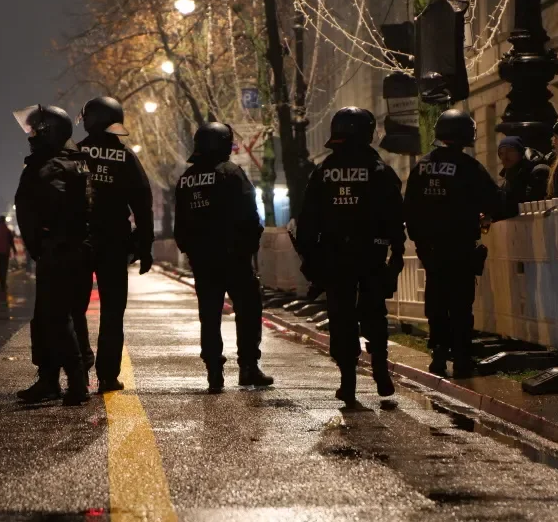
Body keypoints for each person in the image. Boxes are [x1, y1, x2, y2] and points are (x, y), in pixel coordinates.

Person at [295, 107, 404, 404]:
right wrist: (398, 250)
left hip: (334, 256)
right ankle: (380, 370)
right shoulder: (378, 169)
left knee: (341, 317)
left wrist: (309, 256)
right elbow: (395, 212)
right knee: (374, 312)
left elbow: (307, 218)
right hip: (371, 253)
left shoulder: (324, 171)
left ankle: (348, 382)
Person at [404, 109, 518, 379]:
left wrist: (420, 241)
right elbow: (496, 202)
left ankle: (439, 355)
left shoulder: (421, 167)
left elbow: (409, 208)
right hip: (460, 246)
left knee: (436, 301)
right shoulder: (468, 167)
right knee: (460, 305)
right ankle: (462, 359)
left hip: (430, 249)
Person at [174, 122, 273, 394]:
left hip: (203, 261)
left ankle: (214, 372)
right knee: (248, 310)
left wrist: (192, 252)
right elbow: (250, 214)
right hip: (234, 258)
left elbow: (180, 224)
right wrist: (248, 248)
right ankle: (248, 368)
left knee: (210, 314)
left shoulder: (186, 179)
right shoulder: (231, 173)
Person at [72, 96, 155, 394]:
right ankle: (108, 376)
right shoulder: (126, 157)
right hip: (115, 244)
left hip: (78, 242)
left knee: (74, 307)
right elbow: (143, 204)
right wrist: (145, 246)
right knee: (112, 311)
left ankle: (80, 366)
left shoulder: (74, 153)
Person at [13, 104, 93, 406]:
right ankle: (49, 380)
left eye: (35, 130)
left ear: (48, 133)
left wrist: (40, 245)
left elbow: (46, 211)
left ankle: (75, 382)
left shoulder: (48, 168)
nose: (30, 135)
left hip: (59, 252)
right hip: (74, 251)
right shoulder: (75, 161)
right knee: (52, 318)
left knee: (57, 319)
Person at [497, 136, 550, 205]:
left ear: (520, 152)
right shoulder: (508, 180)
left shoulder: (538, 172)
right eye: (501, 153)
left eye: (510, 151)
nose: (505, 157)